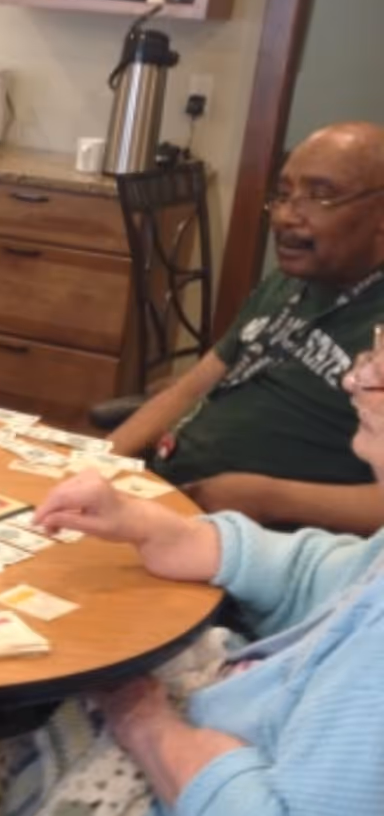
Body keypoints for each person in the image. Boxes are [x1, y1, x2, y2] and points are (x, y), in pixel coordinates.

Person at [0, 341, 384, 816]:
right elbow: (334, 577)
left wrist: (146, 722)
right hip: (221, 717)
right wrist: (169, 533)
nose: (352, 380)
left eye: (381, 374)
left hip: (191, 779)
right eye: (372, 353)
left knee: (11, 715)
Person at [109, 122, 384, 534]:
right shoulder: (289, 282)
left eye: (321, 195)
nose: (287, 216)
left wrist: (269, 498)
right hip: (164, 493)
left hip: (263, 546)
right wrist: (96, 461)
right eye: (283, 194)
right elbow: (191, 388)